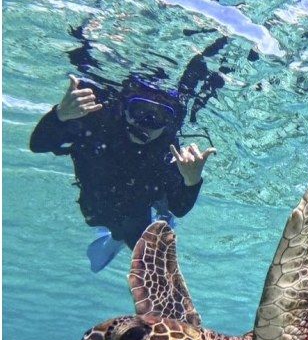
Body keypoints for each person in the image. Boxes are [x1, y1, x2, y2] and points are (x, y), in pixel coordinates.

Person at [30, 75, 215, 272]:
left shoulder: (166, 152)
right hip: (98, 203)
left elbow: (179, 206)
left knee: (148, 244)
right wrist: (60, 116)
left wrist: (192, 179)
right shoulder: (99, 124)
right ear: (125, 108)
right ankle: (117, 238)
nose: (146, 123)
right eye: (140, 110)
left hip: (139, 205)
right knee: (114, 227)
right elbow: (38, 145)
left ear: (168, 123)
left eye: (158, 117)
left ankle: (158, 219)